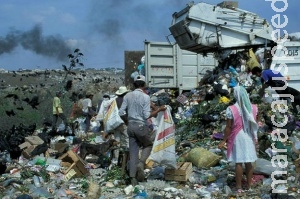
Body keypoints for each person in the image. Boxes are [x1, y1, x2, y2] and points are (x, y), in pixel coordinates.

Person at [119, 75, 166, 186]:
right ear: (144, 85)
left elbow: (121, 112)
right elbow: (146, 115)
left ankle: (132, 178)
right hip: (141, 126)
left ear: (134, 84)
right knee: (148, 145)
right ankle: (141, 163)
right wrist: (159, 109)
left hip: (130, 127)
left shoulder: (127, 96)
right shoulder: (145, 97)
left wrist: (127, 122)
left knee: (133, 151)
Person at [218, 86, 258, 192]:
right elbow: (255, 123)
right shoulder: (254, 108)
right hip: (249, 136)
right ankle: (249, 186)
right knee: (249, 161)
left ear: (236, 95)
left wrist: (223, 140)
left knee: (239, 162)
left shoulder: (231, 109)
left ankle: (239, 187)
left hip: (238, 136)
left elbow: (229, 127)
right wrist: (256, 137)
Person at [109, 86, 131, 164]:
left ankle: (116, 158)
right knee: (128, 138)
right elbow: (124, 113)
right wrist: (126, 121)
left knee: (116, 140)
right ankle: (128, 158)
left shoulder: (114, 100)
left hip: (115, 123)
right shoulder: (125, 100)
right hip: (123, 122)